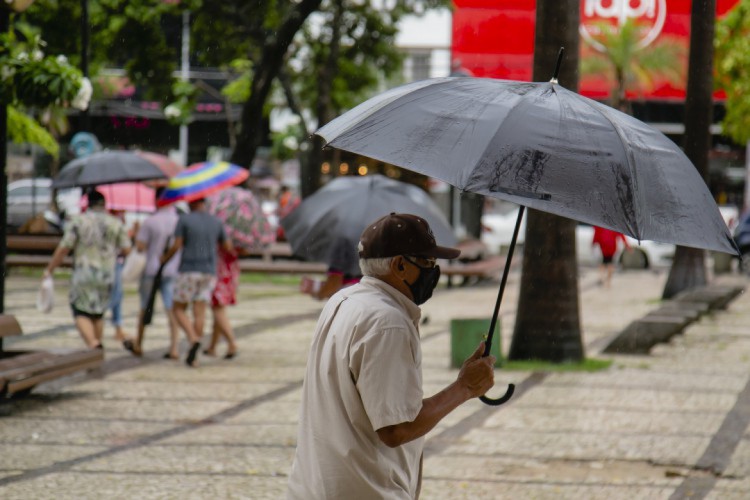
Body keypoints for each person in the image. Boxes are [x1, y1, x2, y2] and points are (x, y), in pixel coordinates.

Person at [287, 213, 496, 498]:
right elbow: (396, 428)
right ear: (400, 265)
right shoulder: (387, 323)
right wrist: (464, 388)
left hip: (318, 487)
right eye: (428, 263)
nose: (434, 272)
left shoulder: (344, 300)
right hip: (364, 489)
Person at [43, 190, 131, 349]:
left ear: (88, 203)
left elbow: (64, 248)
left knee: (80, 310)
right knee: (98, 313)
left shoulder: (78, 222)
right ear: (104, 204)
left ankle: (93, 343)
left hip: (83, 273)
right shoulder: (115, 223)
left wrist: (50, 269)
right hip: (107, 274)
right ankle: (96, 350)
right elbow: (126, 249)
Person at [161, 198, 232, 367]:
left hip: (188, 269)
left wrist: (164, 258)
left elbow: (177, 245)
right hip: (209, 271)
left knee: (178, 308)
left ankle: (193, 339)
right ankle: (195, 357)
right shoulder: (216, 221)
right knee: (199, 312)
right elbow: (228, 246)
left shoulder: (184, 220)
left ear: (191, 203)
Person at [133, 188, 182, 358]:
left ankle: (139, 343)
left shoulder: (150, 222)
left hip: (151, 270)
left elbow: (140, 246)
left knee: (144, 307)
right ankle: (174, 347)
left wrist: (135, 232)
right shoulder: (178, 221)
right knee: (172, 309)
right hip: (172, 270)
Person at [202, 246, 240, 359]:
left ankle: (232, 343)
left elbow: (228, 247)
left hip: (219, 272)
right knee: (219, 309)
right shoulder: (238, 235)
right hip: (229, 270)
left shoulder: (223, 231)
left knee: (218, 309)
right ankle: (212, 346)